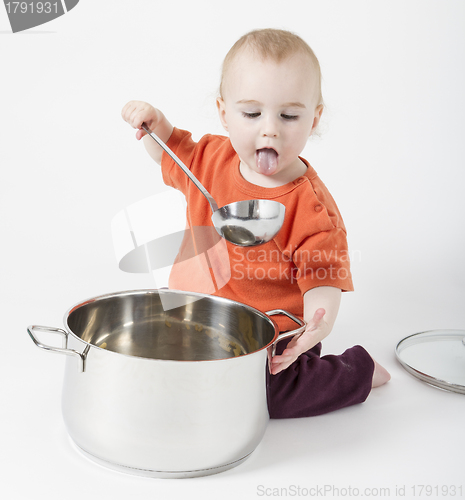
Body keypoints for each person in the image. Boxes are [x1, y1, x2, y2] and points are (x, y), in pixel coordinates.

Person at [121, 28, 390, 418]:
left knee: (266, 395)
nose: (270, 128)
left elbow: (323, 278)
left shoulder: (309, 206)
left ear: (314, 118)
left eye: (289, 115)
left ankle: (355, 372)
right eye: (251, 113)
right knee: (155, 362)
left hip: (273, 335)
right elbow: (168, 153)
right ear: (224, 113)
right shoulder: (210, 160)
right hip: (196, 313)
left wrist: (319, 322)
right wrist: (154, 124)